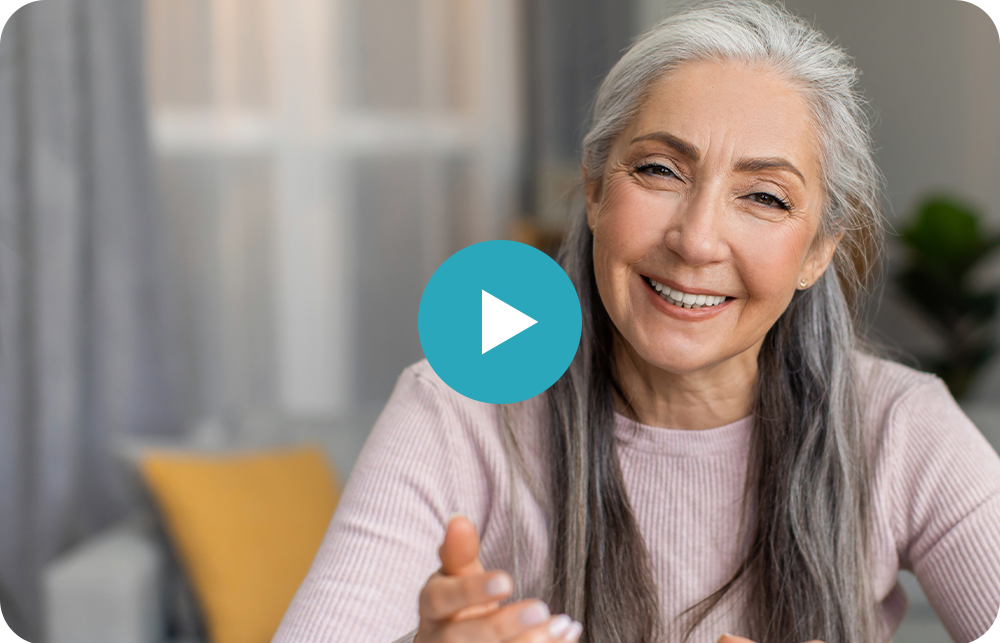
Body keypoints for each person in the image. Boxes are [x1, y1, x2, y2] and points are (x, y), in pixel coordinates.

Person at [273, 2, 1000, 642]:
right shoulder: (458, 407)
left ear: (817, 252)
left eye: (766, 198)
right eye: (659, 170)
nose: (697, 239)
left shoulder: (902, 428)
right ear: (593, 192)